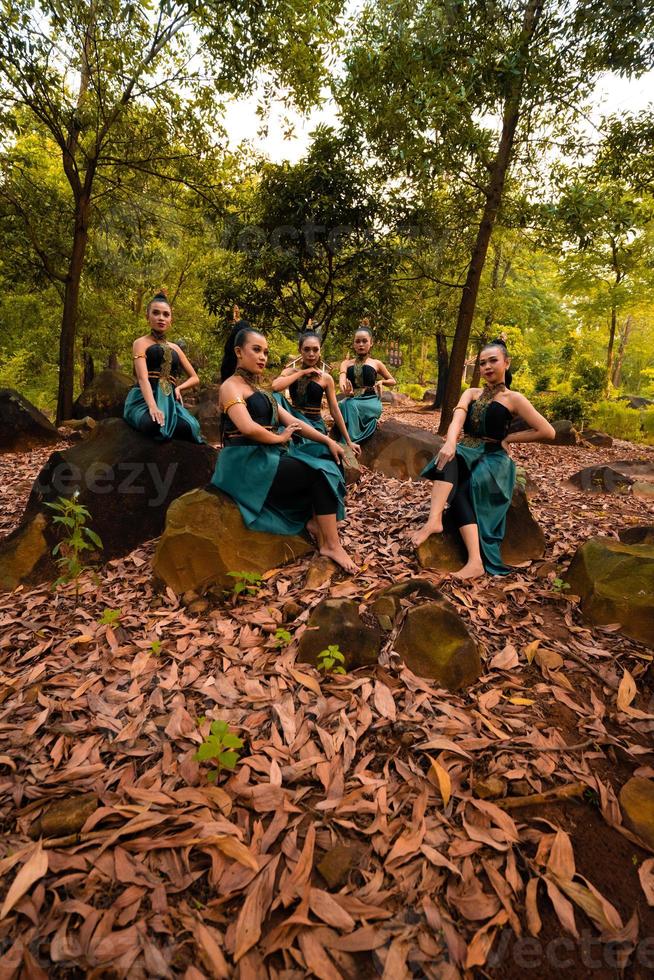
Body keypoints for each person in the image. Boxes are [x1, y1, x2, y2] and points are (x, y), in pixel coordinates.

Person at [211, 326, 357, 573]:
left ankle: (316, 524)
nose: (262, 357)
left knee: (326, 462)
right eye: (256, 350)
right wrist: (279, 439)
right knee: (318, 472)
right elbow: (247, 428)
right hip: (244, 463)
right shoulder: (230, 387)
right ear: (238, 351)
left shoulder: (261, 392)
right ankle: (331, 544)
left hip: (265, 457)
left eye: (265, 352)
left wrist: (329, 441)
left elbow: (294, 423)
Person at [410, 339, 554, 579]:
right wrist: (450, 442)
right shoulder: (471, 392)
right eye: (482, 363)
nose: (487, 366)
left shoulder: (514, 399)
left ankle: (475, 562)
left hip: (493, 458)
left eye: (493, 361)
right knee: (449, 460)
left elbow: (547, 431)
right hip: (466, 449)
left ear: (506, 363)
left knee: (463, 488)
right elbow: (458, 418)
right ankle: (434, 522)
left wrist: (511, 438)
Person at [124, 291, 202, 442]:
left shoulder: (175, 348)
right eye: (156, 313)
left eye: (166, 314)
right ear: (148, 317)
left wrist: (179, 388)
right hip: (143, 399)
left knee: (189, 427)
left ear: (171, 320)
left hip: (169, 401)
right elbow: (142, 378)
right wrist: (152, 406)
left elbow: (194, 378)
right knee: (154, 425)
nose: (161, 318)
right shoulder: (140, 343)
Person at [271, 329, 360, 456]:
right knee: (275, 397)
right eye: (306, 349)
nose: (311, 354)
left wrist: (349, 441)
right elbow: (275, 387)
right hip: (293, 419)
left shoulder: (326, 378)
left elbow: (334, 410)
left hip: (313, 424)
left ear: (320, 351)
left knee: (309, 449)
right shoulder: (290, 372)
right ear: (300, 350)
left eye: (315, 349)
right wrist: (301, 373)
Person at [338, 323, 396, 442]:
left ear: (371, 343)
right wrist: (346, 390)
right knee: (343, 404)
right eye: (357, 341)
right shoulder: (346, 363)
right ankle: (351, 439)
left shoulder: (376, 363)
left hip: (371, 401)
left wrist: (382, 382)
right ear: (353, 344)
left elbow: (393, 381)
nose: (361, 344)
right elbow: (342, 382)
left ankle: (350, 441)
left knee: (348, 404)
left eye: (364, 341)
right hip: (352, 398)